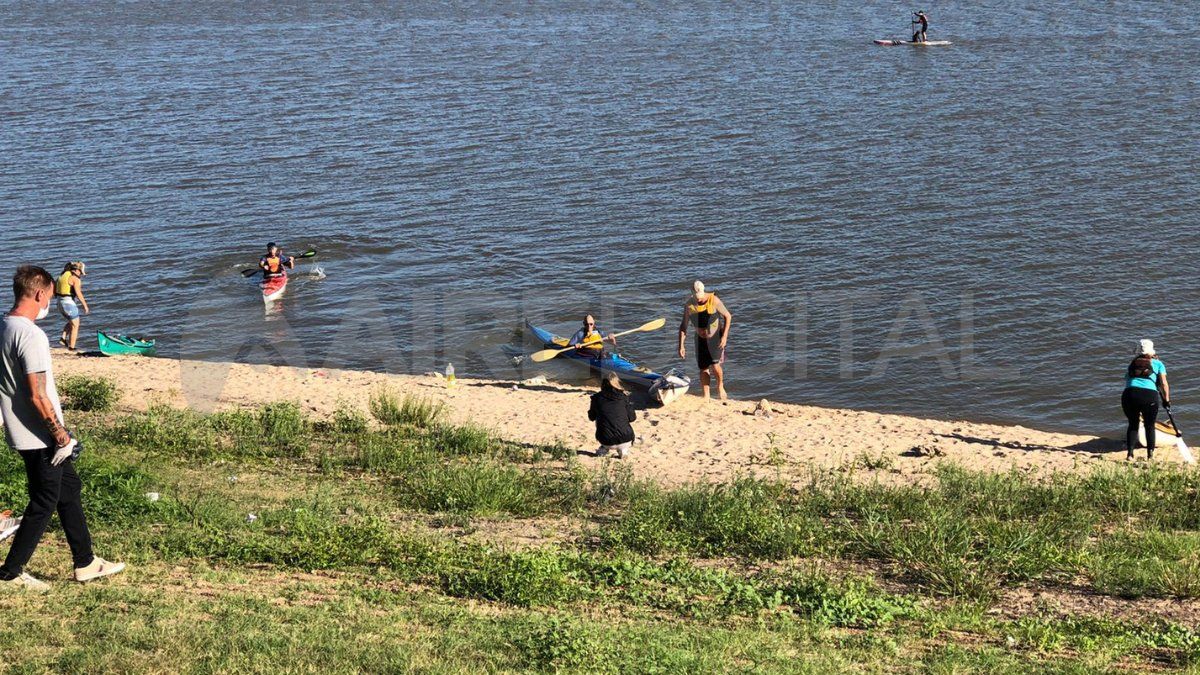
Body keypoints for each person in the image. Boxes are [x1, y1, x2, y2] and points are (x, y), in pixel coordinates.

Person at [0, 266, 125, 592]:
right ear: (39, 293)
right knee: (44, 501)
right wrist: (62, 436)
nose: (49, 305)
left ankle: (85, 562)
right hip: (40, 435)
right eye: (49, 298)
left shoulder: (4, 325)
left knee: (69, 489)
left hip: (23, 431)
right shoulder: (30, 335)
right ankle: (10, 573)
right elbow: (37, 395)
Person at [678, 280, 732, 400]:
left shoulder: (714, 300)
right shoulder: (689, 305)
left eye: (701, 296)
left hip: (715, 338)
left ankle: (720, 386)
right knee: (703, 368)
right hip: (700, 339)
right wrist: (681, 345)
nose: (699, 299)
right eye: (697, 297)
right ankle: (706, 395)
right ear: (692, 294)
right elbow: (683, 326)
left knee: (715, 365)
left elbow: (728, 316)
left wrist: (724, 336)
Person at [1122, 339, 1170, 461]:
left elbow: (1127, 379)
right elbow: (1164, 384)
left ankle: (1130, 455)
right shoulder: (1158, 364)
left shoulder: (1132, 364)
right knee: (1149, 426)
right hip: (1148, 396)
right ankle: (1150, 456)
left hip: (1129, 394)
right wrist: (1166, 400)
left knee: (1133, 424)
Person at [588, 373, 636, 458]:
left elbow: (591, 417)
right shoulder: (624, 397)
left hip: (606, 440)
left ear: (602, 384)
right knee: (619, 419)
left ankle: (604, 449)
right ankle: (623, 450)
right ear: (617, 383)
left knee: (600, 418)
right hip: (626, 438)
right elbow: (632, 418)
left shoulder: (596, 398)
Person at [54, 262, 89, 352]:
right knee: (75, 325)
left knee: (72, 322)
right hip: (68, 304)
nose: (81, 274)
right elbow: (78, 293)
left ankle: (63, 337)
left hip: (59, 303)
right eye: (80, 272)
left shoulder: (61, 276)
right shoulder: (75, 279)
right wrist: (85, 305)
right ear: (76, 270)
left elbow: (55, 290)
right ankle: (71, 348)